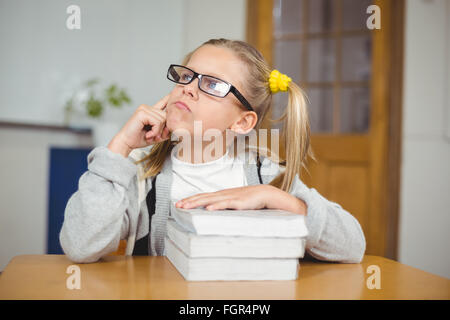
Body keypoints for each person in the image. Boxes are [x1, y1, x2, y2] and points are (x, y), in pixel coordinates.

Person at [59, 38, 366, 264]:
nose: (188, 88)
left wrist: (277, 198)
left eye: (213, 85)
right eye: (186, 76)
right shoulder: (141, 172)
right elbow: (80, 244)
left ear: (243, 121)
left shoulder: (265, 175)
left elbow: (353, 246)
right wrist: (120, 147)